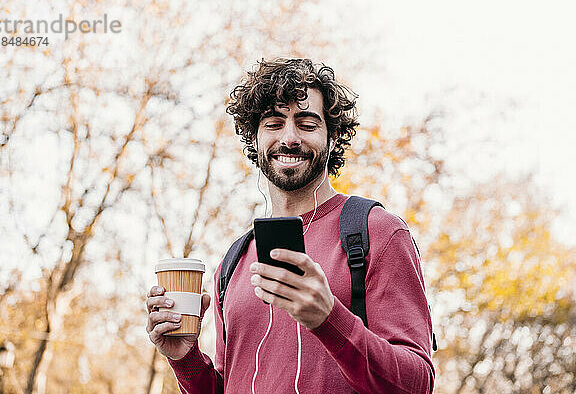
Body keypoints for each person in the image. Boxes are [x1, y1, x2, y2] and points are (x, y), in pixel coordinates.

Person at [146, 58, 435, 393]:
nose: (290, 137)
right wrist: (186, 359)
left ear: (334, 135)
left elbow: (417, 384)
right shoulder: (232, 262)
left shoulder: (377, 233)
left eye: (307, 124)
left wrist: (329, 319)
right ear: (253, 137)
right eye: (273, 123)